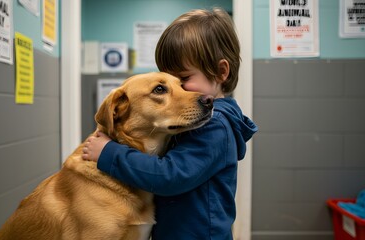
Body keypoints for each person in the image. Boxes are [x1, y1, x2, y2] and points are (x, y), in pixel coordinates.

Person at [83, 8, 257, 239]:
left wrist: (109, 153)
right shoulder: (198, 122)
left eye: (183, 79)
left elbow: (169, 176)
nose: (180, 91)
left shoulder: (216, 125)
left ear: (220, 72)